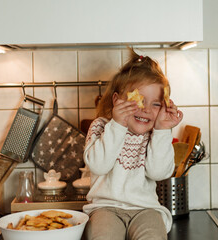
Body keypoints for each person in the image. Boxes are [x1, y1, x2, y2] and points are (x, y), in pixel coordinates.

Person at [83, 48, 183, 240]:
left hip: (146, 210)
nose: (145, 109)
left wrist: (162, 130)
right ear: (116, 100)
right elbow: (98, 165)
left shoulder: (156, 134)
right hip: (105, 209)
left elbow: (159, 173)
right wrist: (118, 125)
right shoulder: (101, 127)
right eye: (138, 100)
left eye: (156, 104)